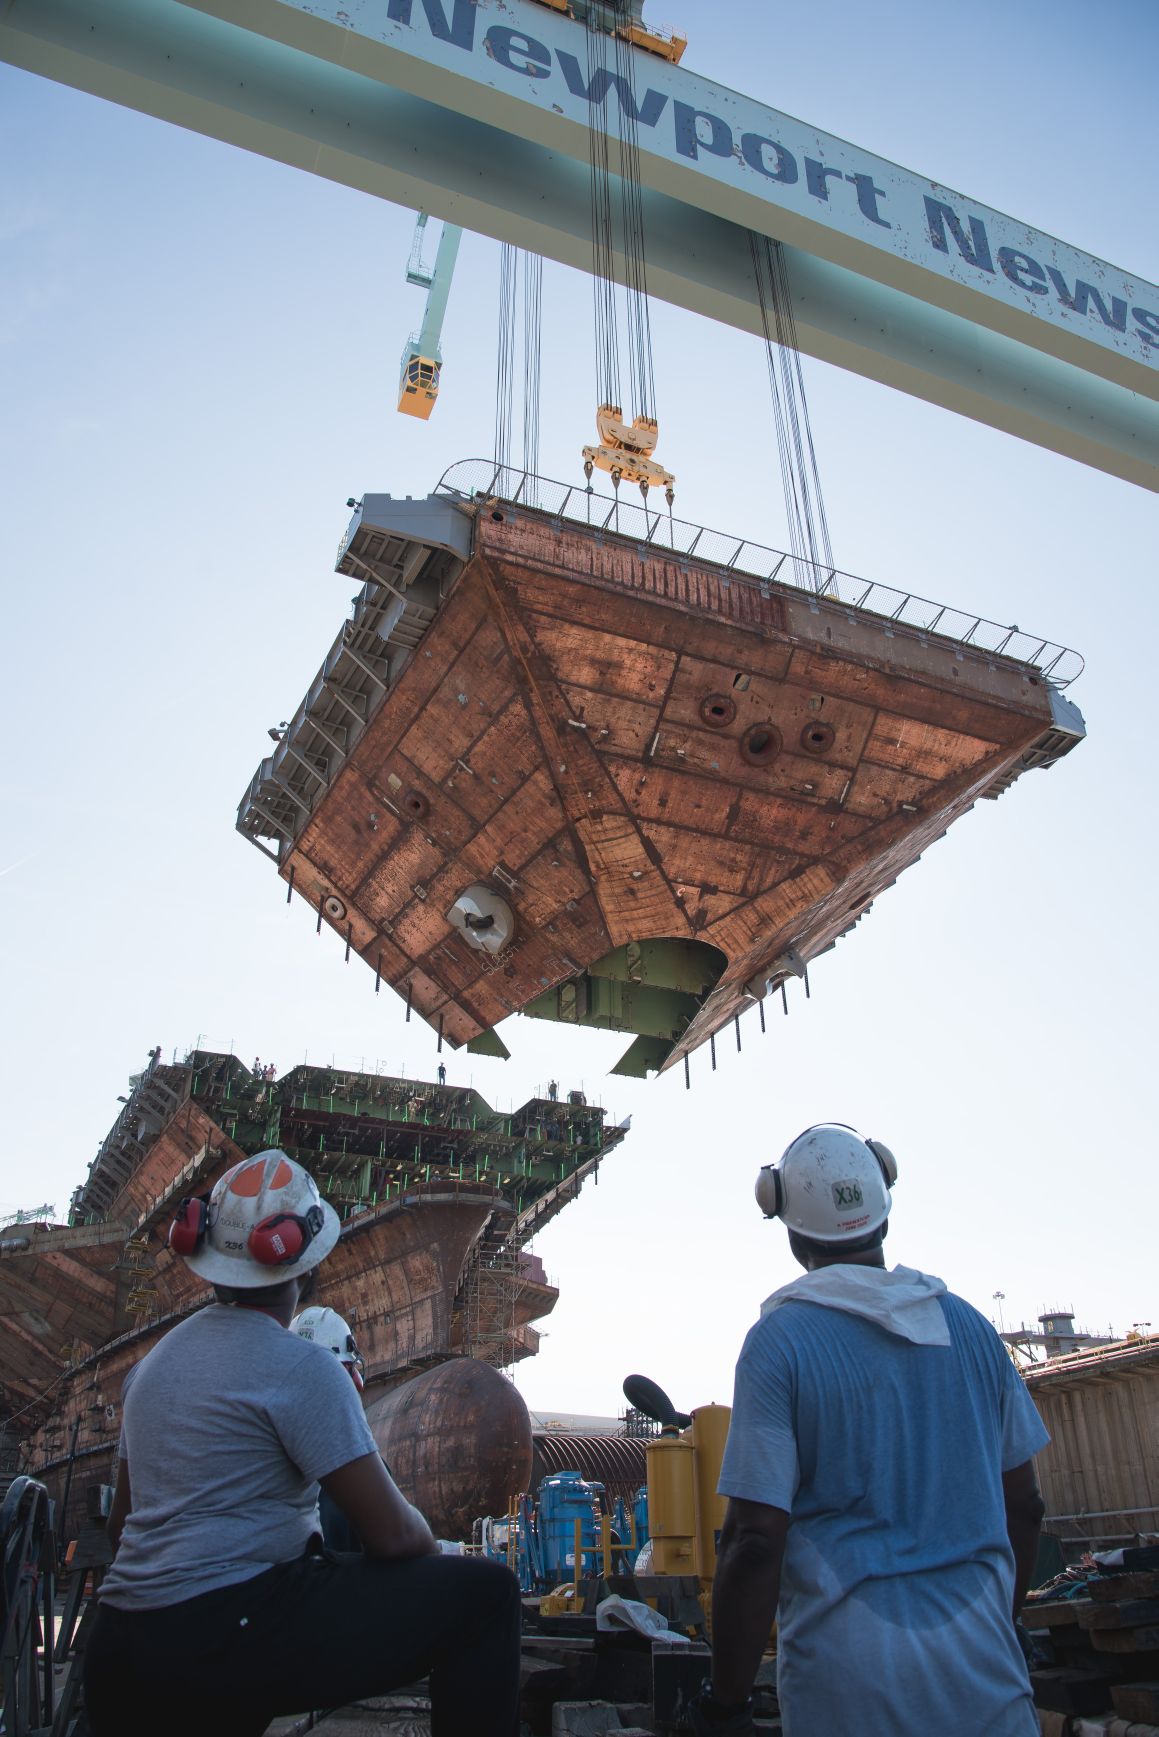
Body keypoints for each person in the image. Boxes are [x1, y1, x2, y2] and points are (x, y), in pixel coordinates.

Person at [84, 1149, 521, 1737]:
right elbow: (393, 1538)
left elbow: (121, 1528)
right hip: (226, 1636)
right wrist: (440, 1548)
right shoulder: (302, 1369)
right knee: (489, 1596)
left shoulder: (148, 1370)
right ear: (304, 1264)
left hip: (117, 1649)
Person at [691, 1123, 1048, 1737]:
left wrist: (726, 1703)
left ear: (784, 1219)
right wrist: (999, 1623)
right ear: (885, 1202)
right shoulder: (970, 1328)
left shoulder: (780, 1344)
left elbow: (754, 1541)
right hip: (989, 1688)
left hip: (850, 1696)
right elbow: (1026, 1506)